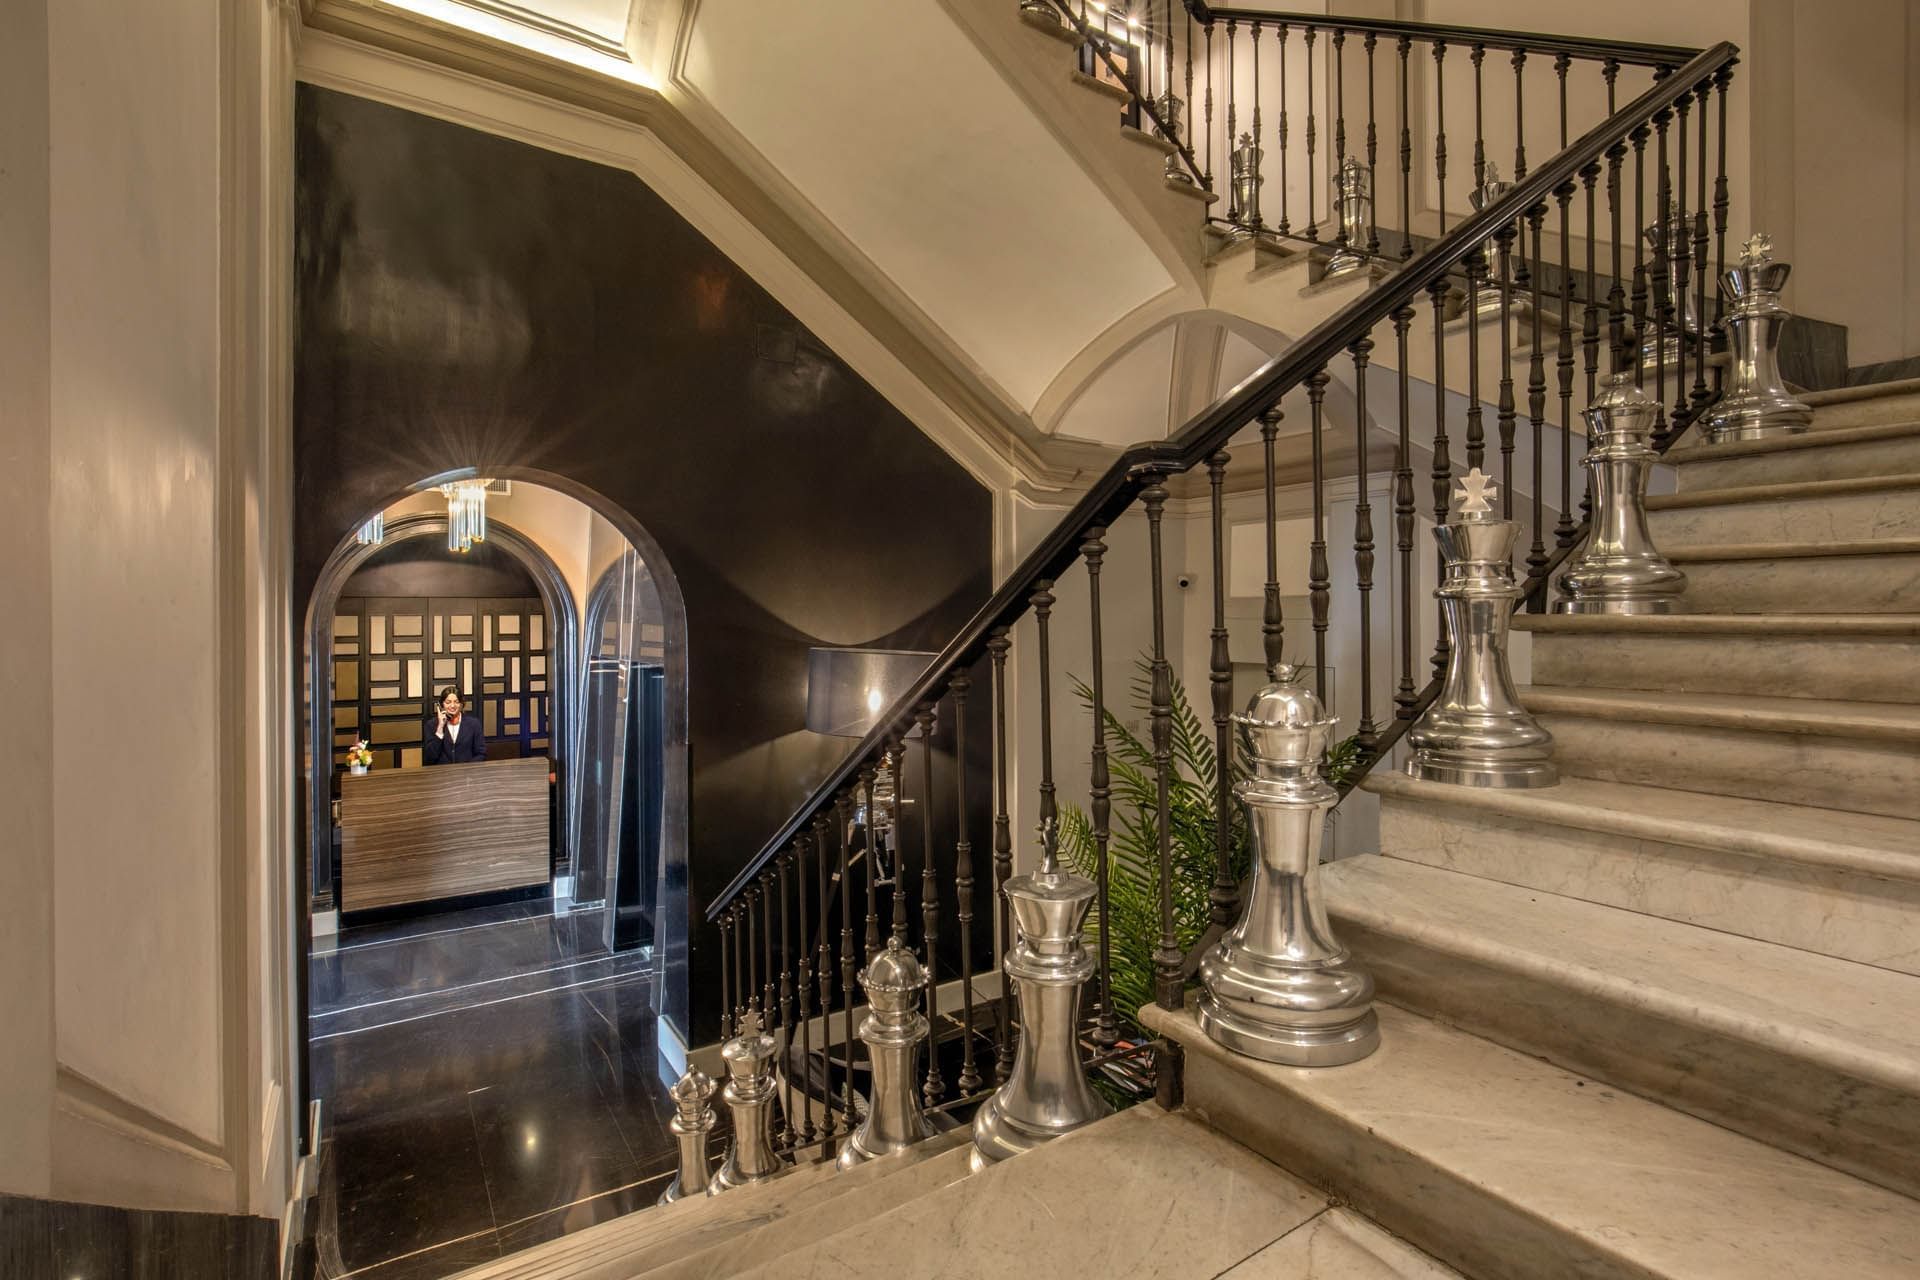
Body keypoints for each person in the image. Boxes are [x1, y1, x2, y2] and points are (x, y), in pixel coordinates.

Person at [423, 686, 486, 764]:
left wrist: (467, 768)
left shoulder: (474, 724)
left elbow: (481, 754)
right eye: (448, 702)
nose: (452, 706)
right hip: (442, 771)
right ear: (441, 705)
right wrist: (440, 728)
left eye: (456, 702)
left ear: (461, 704)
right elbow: (429, 758)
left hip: (467, 770)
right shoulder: (431, 725)